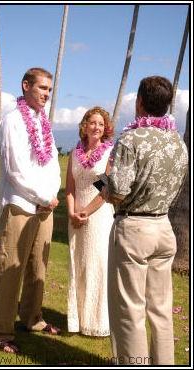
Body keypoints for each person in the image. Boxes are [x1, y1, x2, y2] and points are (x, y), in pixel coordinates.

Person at [82, 76, 188, 364]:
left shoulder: (131, 139)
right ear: (166, 105)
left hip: (134, 229)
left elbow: (116, 190)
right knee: (161, 309)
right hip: (164, 228)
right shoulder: (179, 144)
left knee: (130, 308)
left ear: (140, 101)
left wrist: (97, 181)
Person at [0, 67, 61, 354]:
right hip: (20, 204)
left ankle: (32, 318)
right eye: (42, 88)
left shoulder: (43, 122)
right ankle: (2, 332)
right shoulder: (11, 121)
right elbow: (15, 170)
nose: (46, 94)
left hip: (45, 206)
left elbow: (54, 160)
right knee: (11, 269)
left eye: (49, 89)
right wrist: (44, 195)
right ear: (25, 86)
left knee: (37, 267)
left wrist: (52, 193)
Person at [66, 106, 115, 336]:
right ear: (84, 125)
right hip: (75, 216)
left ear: (105, 130)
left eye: (101, 124)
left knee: (96, 264)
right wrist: (72, 212)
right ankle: (77, 320)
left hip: (99, 215)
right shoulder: (74, 154)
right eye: (92, 122)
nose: (96, 127)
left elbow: (104, 186)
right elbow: (70, 187)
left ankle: (97, 323)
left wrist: (87, 211)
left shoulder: (109, 153)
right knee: (78, 265)